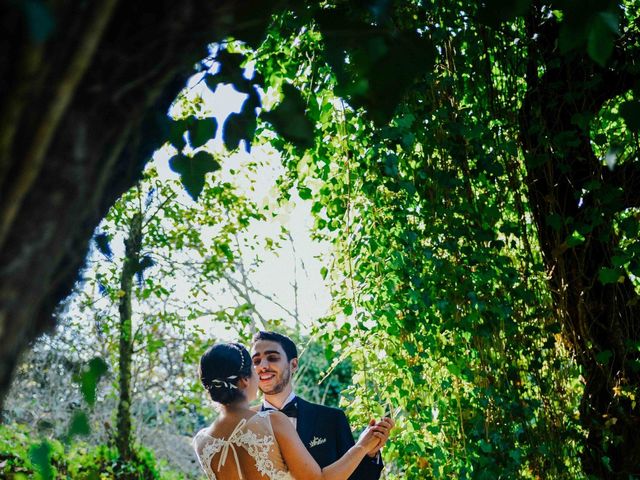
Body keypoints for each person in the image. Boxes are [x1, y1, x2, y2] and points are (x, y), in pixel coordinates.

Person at [193, 342, 386, 480]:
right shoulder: (272, 421)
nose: (260, 371)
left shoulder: (201, 441)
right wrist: (362, 446)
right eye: (254, 366)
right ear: (244, 380)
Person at [251, 331, 394, 480]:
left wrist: (369, 452)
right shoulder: (243, 426)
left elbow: (356, 477)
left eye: (272, 358)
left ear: (293, 364)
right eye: (256, 361)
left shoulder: (331, 419)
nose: (263, 366)